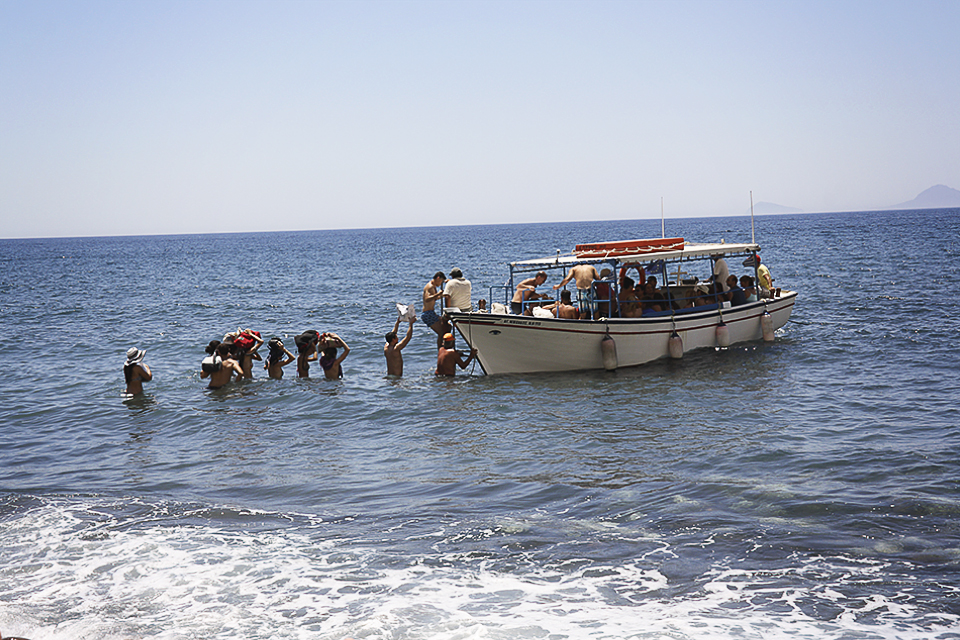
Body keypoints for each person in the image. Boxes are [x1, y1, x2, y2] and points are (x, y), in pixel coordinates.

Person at [422, 271, 450, 347]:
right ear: (438, 278)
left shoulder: (433, 286)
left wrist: (443, 295)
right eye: (441, 281)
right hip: (427, 314)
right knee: (441, 332)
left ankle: (444, 347)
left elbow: (435, 298)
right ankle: (440, 350)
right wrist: (438, 294)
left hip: (431, 313)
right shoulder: (430, 286)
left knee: (447, 326)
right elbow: (427, 299)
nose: (440, 284)